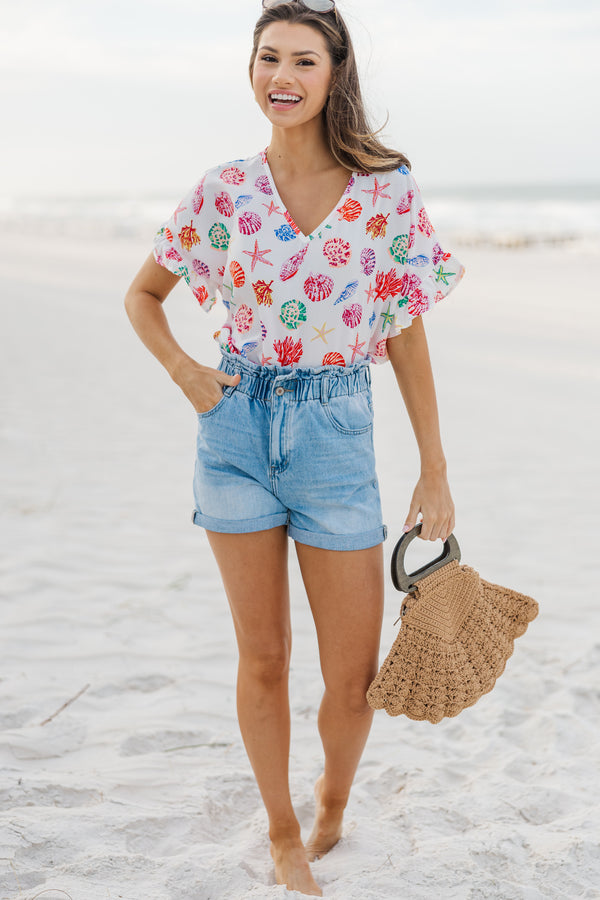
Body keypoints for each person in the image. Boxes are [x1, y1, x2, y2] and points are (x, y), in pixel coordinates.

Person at [124, 1, 465, 894]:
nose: (283, 75)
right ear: (250, 73)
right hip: (234, 429)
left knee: (351, 679)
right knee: (264, 657)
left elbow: (405, 333)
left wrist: (434, 465)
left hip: (336, 433)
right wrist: (186, 374)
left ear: (334, 74)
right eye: (268, 58)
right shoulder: (222, 190)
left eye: (303, 61)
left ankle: (333, 804)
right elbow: (143, 296)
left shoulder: (386, 189)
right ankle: (279, 832)